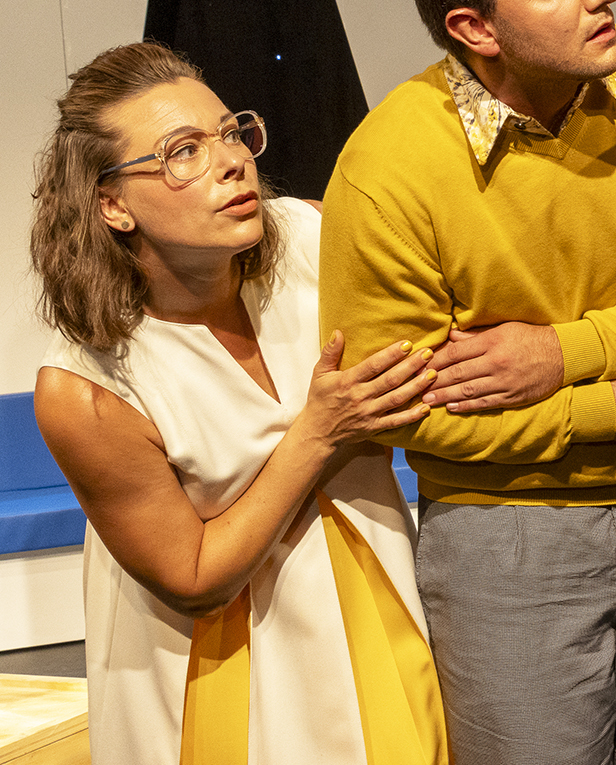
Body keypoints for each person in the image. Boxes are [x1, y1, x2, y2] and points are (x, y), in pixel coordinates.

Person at [318, 0, 616, 765]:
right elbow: (406, 408)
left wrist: (564, 353)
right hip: (504, 537)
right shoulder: (387, 166)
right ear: (475, 28)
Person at [30, 41, 445, 765]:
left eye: (230, 132)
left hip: (379, 620)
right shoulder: (88, 385)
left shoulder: (316, 239)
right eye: (183, 152)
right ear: (113, 204)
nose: (231, 161)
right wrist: (319, 432)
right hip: (221, 681)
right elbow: (194, 578)